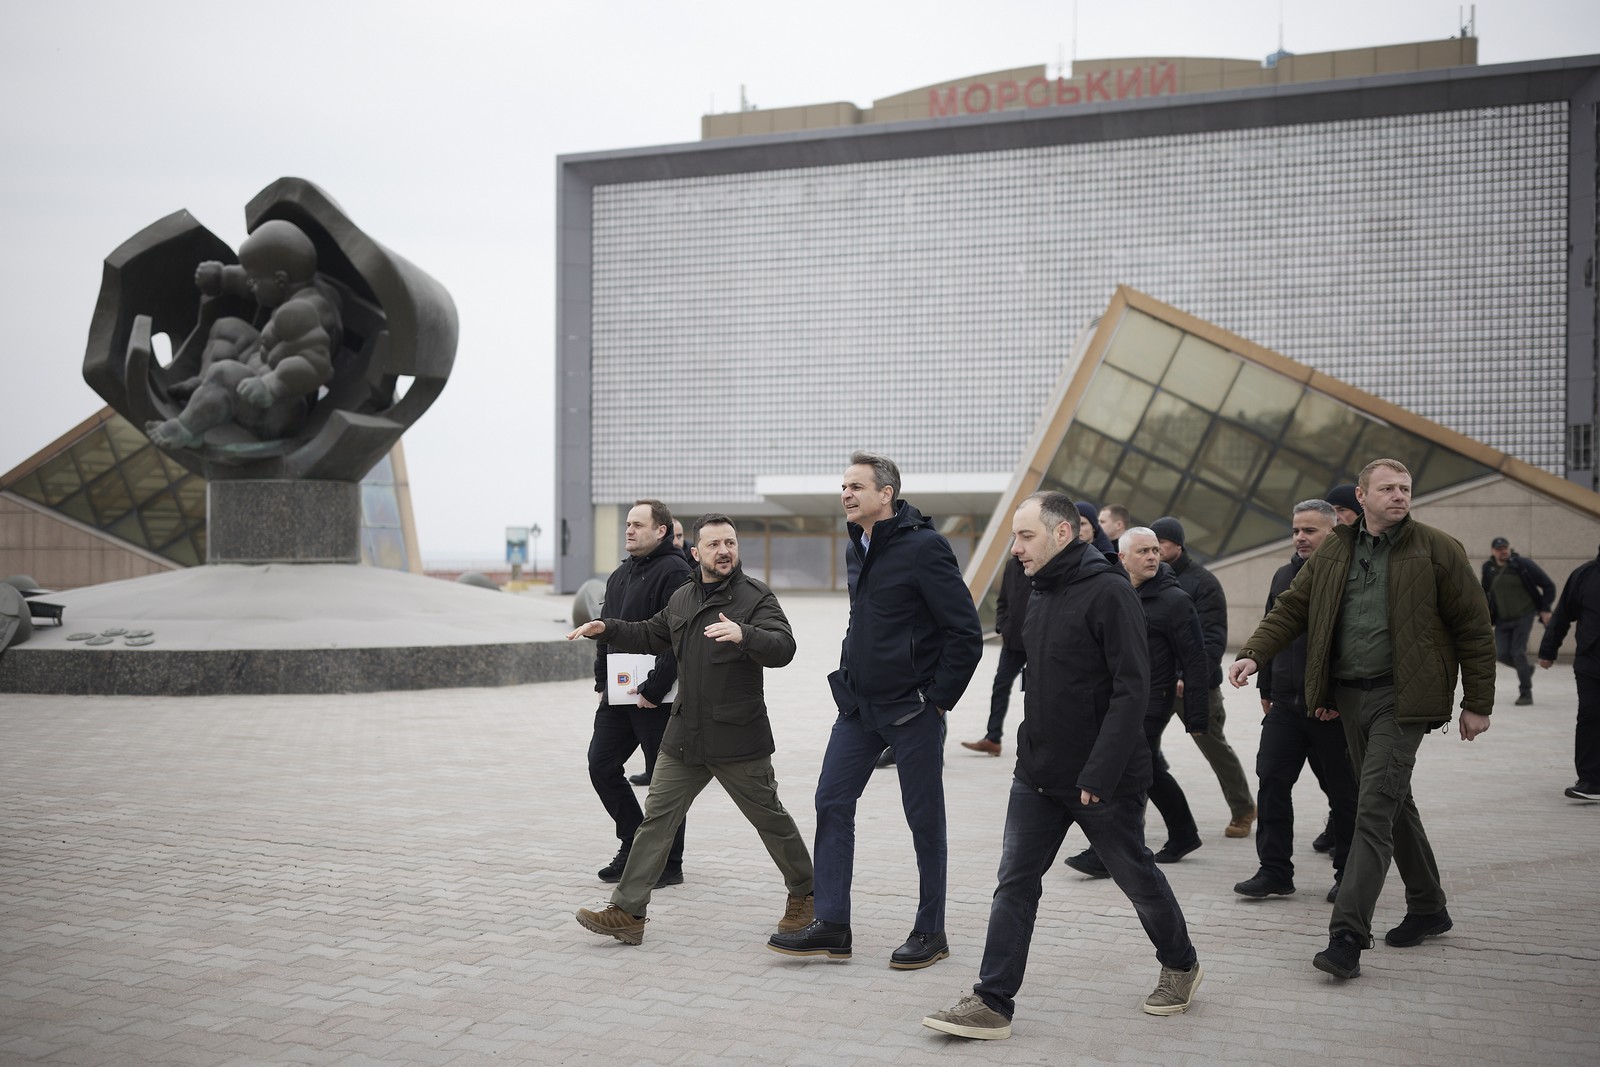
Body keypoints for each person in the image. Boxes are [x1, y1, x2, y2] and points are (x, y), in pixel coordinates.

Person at [921, 494, 1200, 1041]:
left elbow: (1131, 690)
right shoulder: (1038, 590)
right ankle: (992, 1001)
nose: (1016, 548)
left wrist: (1098, 773)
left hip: (1103, 779)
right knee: (1015, 884)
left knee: (1136, 877)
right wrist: (1027, 751)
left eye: (1025, 536)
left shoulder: (1111, 591)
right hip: (1038, 774)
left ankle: (1182, 964)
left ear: (1064, 534)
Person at [1228, 458, 1494, 980]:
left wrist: (1477, 702)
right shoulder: (1336, 548)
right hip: (1348, 698)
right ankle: (1428, 906)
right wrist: (1255, 653)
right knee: (1394, 802)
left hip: (1405, 699)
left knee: (1372, 808)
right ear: (1362, 496)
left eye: (1405, 488)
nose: (1399, 496)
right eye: (1388, 489)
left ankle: (1347, 934)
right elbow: (1291, 608)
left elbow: (1474, 626)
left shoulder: (1437, 549)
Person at [768, 452, 982, 969]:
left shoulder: (925, 548)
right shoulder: (856, 548)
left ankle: (931, 931)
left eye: (857, 486)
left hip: (912, 711)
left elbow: (965, 633)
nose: (846, 494)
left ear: (886, 494)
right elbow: (863, 621)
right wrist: (848, 671)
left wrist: (935, 703)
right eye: (843, 486)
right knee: (831, 801)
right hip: (859, 707)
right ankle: (833, 925)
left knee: (923, 821)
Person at [569, 515, 815, 944]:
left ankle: (808, 894)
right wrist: (607, 628)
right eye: (715, 544)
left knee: (770, 820)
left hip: (738, 736)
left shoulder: (756, 597)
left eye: (731, 543)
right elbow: (651, 633)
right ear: (696, 553)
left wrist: (745, 634)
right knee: (656, 821)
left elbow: (784, 648)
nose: (724, 550)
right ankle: (627, 912)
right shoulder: (682, 598)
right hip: (684, 736)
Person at [1063, 526, 1211, 877]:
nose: (1151, 557)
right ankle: (1184, 833)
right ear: (1122, 557)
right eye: (1143, 551)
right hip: (1120, 698)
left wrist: (1197, 716)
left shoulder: (1174, 600)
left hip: (1152, 701)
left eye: (1156, 551)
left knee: (1122, 769)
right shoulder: (1113, 590)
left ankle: (1109, 852)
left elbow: (1195, 658)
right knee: (1151, 770)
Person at [1234, 500, 1358, 904]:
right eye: (1296, 530)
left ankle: (1350, 875)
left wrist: (1337, 696)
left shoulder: (1351, 575)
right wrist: (1265, 686)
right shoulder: (1284, 574)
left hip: (1331, 709)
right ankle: (1274, 871)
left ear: (1333, 532)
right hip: (1286, 706)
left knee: (1343, 793)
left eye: (1310, 530)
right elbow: (1274, 627)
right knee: (1271, 782)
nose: (1301, 538)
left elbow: (1354, 644)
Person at [147, 220, 342, 450]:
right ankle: (204, 384)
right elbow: (247, 279)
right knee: (227, 327)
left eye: (256, 281)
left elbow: (317, 366)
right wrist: (222, 277)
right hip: (259, 377)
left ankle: (187, 429)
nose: (251, 284)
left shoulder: (302, 312)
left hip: (279, 409)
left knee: (225, 373)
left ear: (280, 280)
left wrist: (272, 386)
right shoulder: (293, 285)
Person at [588, 500, 691, 885]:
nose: (628, 530)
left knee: (665, 785)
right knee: (601, 766)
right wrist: (602, 682)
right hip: (618, 695)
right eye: (627, 524)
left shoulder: (676, 571)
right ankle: (632, 843)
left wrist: (655, 686)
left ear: (660, 530)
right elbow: (605, 628)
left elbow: (679, 636)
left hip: (658, 699)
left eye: (637, 524)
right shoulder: (619, 574)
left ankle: (669, 864)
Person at [1149, 517, 1256, 838]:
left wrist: (1188, 676)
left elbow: (1212, 640)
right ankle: (1130, 816)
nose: (1154, 552)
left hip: (1193, 686)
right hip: (1156, 682)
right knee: (1140, 749)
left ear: (1178, 545)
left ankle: (1243, 808)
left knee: (1214, 747)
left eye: (1160, 546)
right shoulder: (1148, 578)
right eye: (1150, 547)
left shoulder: (1203, 583)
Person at [1538, 546, 1600, 801]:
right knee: (1590, 715)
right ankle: (1591, 781)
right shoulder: (1585, 575)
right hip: (1590, 663)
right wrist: (1548, 650)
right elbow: (1563, 614)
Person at [961, 556, 1028, 757]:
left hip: (1037, 642)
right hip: (1011, 642)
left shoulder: (1042, 561)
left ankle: (1034, 741)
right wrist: (1002, 624)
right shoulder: (1010, 564)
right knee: (1000, 686)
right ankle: (993, 738)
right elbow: (1003, 600)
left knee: (1036, 692)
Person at [1482, 537, 1555, 706]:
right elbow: (1484, 592)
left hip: (1524, 615)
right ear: (1493, 551)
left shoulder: (1522, 565)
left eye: (1505, 547)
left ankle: (1526, 693)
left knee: (1518, 652)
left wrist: (1545, 609)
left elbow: (1548, 585)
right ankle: (1526, 670)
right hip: (1502, 619)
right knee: (1501, 654)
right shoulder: (1489, 568)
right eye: (1500, 548)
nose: (1504, 551)